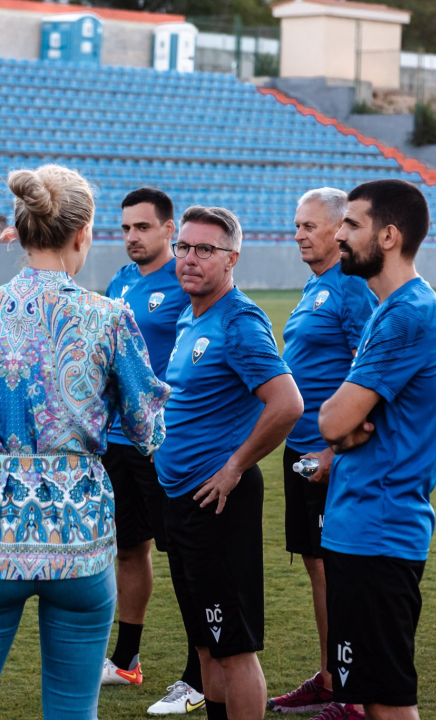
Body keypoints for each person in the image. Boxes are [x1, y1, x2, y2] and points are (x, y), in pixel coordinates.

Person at [0, 164, 172, 720]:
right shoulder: (109, 317)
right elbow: (148, 430)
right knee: (73, 712)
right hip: (79, 536)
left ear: (20, 230)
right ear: (82, 234)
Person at [156, 206, 304, 720]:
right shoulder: (190, 314)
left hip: (218, 500)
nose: (189, 259)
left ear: (232, 258)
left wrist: (235, 465)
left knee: (233, 648)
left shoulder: (239, 322)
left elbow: (287, 403)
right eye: (183, 247)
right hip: (180, 497)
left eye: (205, 249)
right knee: (205, 643)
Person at [318, 179, 436, 720]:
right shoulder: (390, 307)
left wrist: (341, 431)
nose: (339, 235)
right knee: (369, 696)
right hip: (364, 526)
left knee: (388, 703)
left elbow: (333, 420)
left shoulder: (407, 314)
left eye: (352, 224)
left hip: (379, 531)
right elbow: (344, 425)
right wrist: (344, 432)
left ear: (389, 236)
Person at [267, 189, 377, 720]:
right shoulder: (317, 285)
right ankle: (333, 678)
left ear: (339, 230)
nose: (298, 235)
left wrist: (334, 451)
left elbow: (368, 373)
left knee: (338, 571)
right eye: (296, 226)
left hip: (331, 456)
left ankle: (353, 695)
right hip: (301, 451)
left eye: (309, 226)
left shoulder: (352, 288)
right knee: (318, 567)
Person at [101, 188, 205, 716]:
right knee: (128, 550)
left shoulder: (186, 281)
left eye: (142, 227)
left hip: (164, 444)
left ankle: (199, 674)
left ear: (169, 230)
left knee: (185, 558)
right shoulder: (120, 281)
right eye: (125, 228)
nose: (132, 237)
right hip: (116, 441)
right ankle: (126, 660)